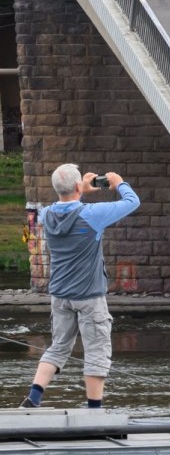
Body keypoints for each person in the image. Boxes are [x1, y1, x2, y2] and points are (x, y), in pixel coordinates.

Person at [21, 164, 139, 409]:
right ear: (77, 186)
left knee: (59, 346)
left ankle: (33, 399)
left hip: (60, 295)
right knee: (96, 350)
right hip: (89, 296)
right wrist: (118, 183)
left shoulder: (46, 215)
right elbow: (132, 202)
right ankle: (94, 411)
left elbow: (68, 208)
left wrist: (79, 191)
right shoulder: (92, 214)